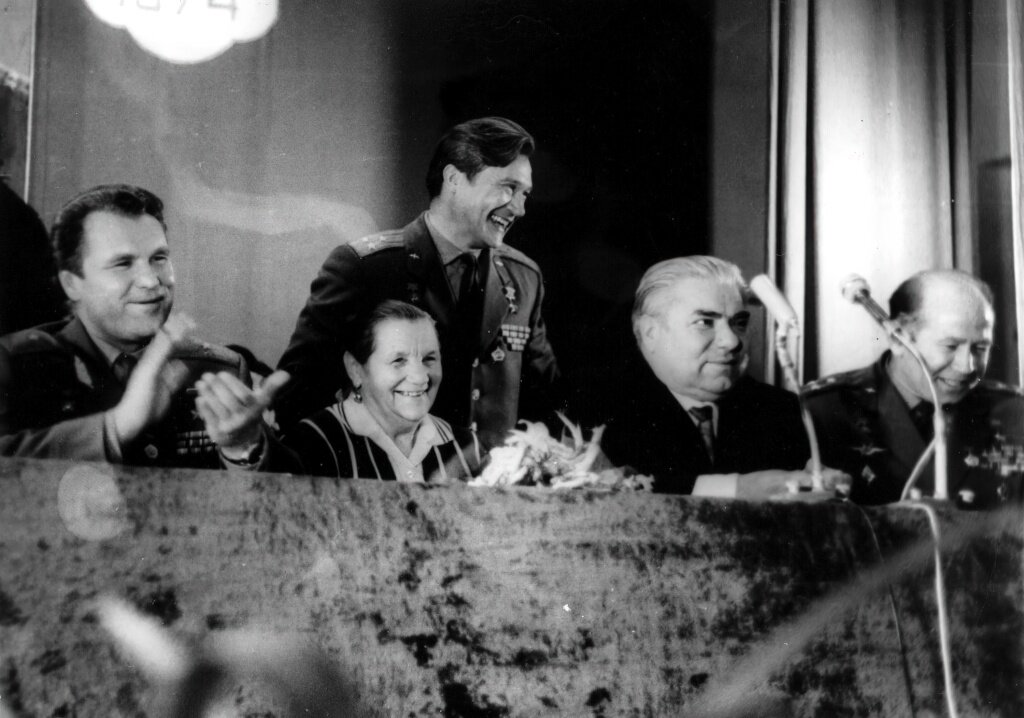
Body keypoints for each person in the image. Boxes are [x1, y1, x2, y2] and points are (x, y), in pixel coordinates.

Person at [275, 117, 561, 446]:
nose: (520, 209)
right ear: (453, 179)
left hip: (492, 477)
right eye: (508, 188)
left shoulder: (524, 277)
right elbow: (297, 397)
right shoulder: (365, 268)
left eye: (525, 194)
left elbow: (547, 401)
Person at [0, 184, 290, 470]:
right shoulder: (16, 365)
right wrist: (116, 427)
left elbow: (288, 489)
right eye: (123, 263)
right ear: (72, 284)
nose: (151, 281)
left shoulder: (219, 369)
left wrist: (244, 448)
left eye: (159, 258)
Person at [803, 269, 1024, 507]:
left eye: (980, 348)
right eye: (950, 346)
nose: (966, 366)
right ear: (897, 340)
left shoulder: (1015, 411)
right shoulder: (821, 411)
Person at [600, 256, 812, 496]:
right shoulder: (600, 411)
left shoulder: (785, 411)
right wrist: (738, 489)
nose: (731, 341)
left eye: (739, 323)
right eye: (704, 322)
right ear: (651, 333)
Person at [283, 300, 484, 482]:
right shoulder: (312, 443)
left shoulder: (468, 447)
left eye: (429, 359)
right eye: (399, 360)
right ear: (355, 369)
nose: (420, 377)